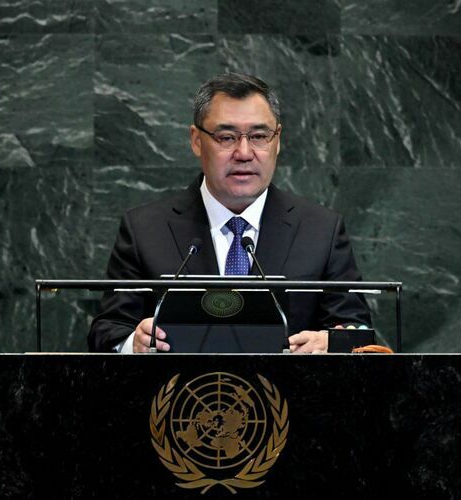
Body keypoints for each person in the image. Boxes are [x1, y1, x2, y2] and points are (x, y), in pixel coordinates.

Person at [88, 73, 371, 353]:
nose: (244, 153)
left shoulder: (321, 231)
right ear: (197, 140)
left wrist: (331, 342)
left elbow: (357, 332)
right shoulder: (145, 230)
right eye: (226, 137)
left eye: (259, 136)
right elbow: (107, 331)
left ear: (278, 140)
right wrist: (133, 344)